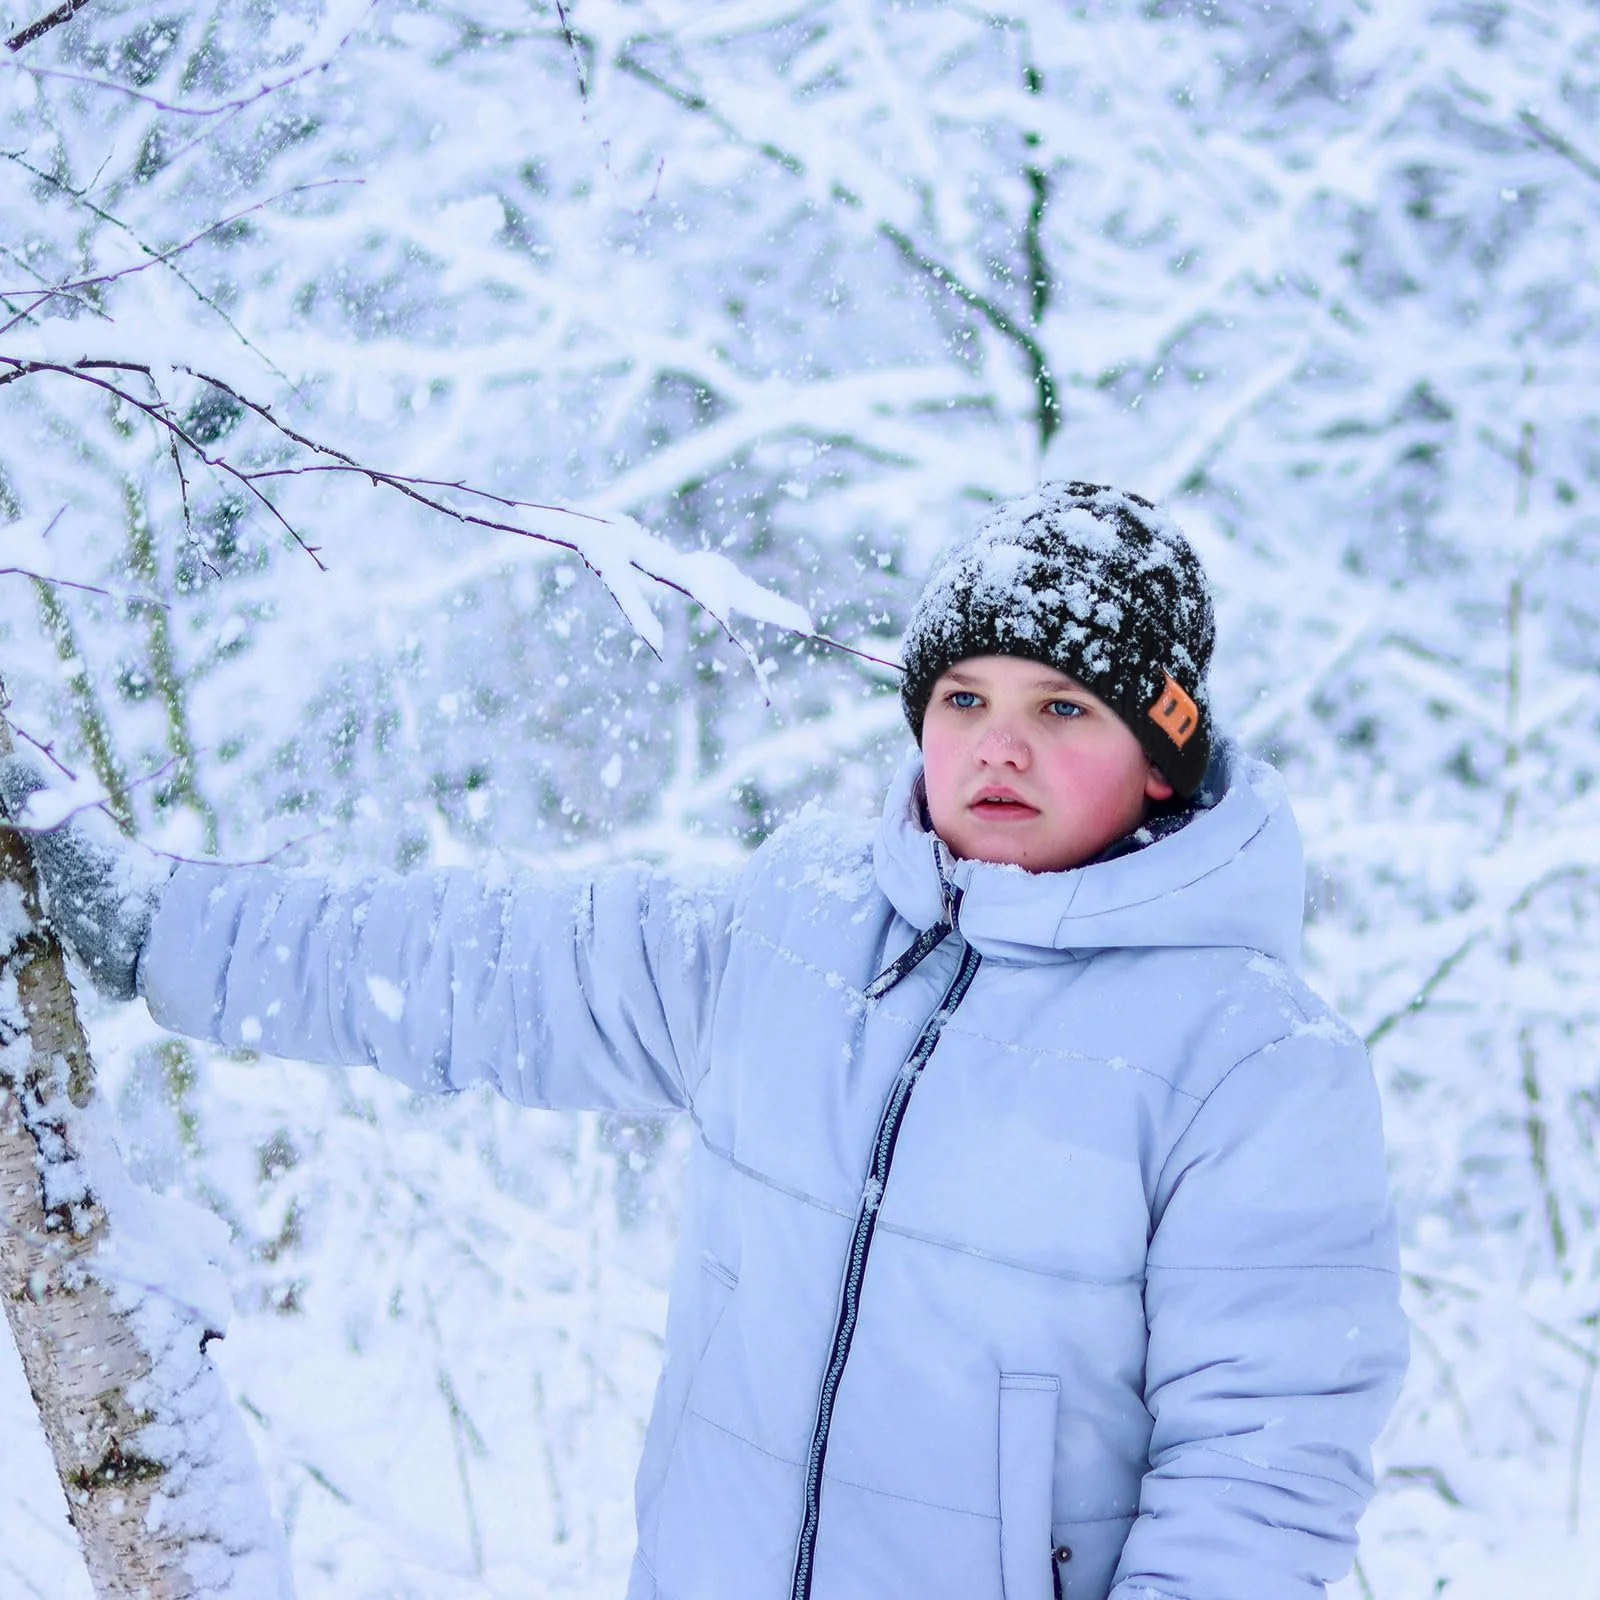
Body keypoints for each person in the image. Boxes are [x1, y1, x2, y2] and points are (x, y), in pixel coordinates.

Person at [2, 481, 1408, 1600]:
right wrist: (162, 925)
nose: (998, 747)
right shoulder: (800, 929)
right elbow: (478, 966)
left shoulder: (1251, 1061)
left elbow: (1262, 1472)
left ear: (1160, 756)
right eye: (964, 700)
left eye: (1063, 709)